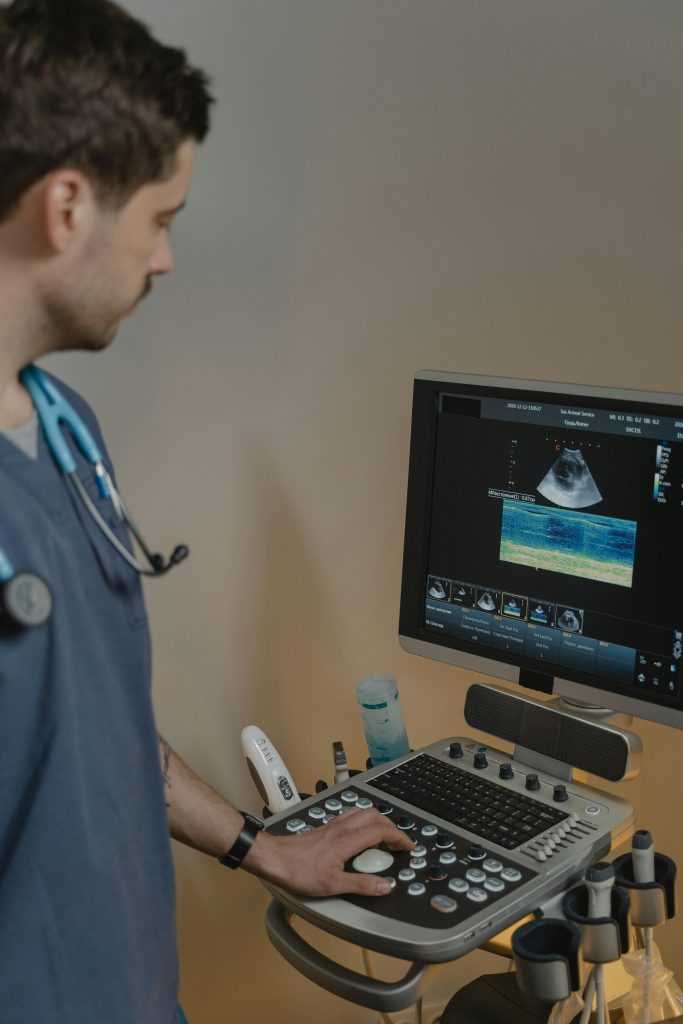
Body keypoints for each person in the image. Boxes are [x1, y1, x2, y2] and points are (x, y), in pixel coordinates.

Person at [0, 1, 413, 1021]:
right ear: (67, 207)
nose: (165, 260)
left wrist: (265, 848)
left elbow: (98, 725)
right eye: (160, 220)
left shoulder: (66, 431)